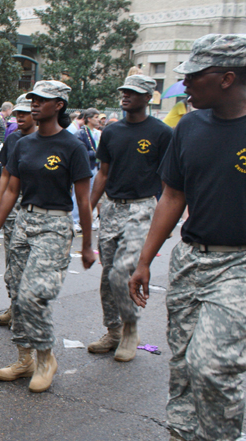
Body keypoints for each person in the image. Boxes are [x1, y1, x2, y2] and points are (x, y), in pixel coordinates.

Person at [126, 34, 246, 441]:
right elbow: (172, 198)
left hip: (241, 264)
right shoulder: (191, 128)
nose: (185, 85)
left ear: (227, 78)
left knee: (212, 364)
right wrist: (145, 259)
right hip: (193, 259)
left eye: (193, 76)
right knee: (182, 365)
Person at [0, 80, 94, 392]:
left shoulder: (72, 147)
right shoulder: (22, 143)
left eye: (42, 100)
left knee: (35, 294)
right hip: (24, 222)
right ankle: (24, 358)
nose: (34, 104)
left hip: (55, 225)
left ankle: (46, 357)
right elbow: (12, 190)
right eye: (33, 98)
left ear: (58, 105)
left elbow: (83, 200)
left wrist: (86, 245)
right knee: (16, 291)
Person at [86, 75, 172, 360]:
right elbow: (103, 172)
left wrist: (165, 219)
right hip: (111, 208)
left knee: (123, 271)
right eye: (124, 92)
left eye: (133, 93)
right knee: (108, 275)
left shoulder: (162, 133)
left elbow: (167, 181)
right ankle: (113, 331)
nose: (126, 97)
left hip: (142, 208)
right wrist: (89, 207)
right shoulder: (111, 131)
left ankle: (130, 328)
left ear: (148, 98)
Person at [0, 94, 37, 328]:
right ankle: (14, 305)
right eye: (17, 113)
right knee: (13, 259)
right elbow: (6, 176)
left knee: (32, 262)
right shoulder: (13, 140)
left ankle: (28, 310)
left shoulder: (48, 140)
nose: (19, 117)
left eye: (25, 113)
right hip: (13, 204)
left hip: (35, 205)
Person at [72, 108, 101, 231]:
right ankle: (74, 220)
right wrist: (97, 153)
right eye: (95, 117)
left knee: (93, 194)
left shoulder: (97, 133)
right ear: (88, 118)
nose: (98, 120)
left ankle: (88, 219)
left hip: (96, 167)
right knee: (79, 195)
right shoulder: (81, 133)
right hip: (85, 168)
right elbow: (80, 152)